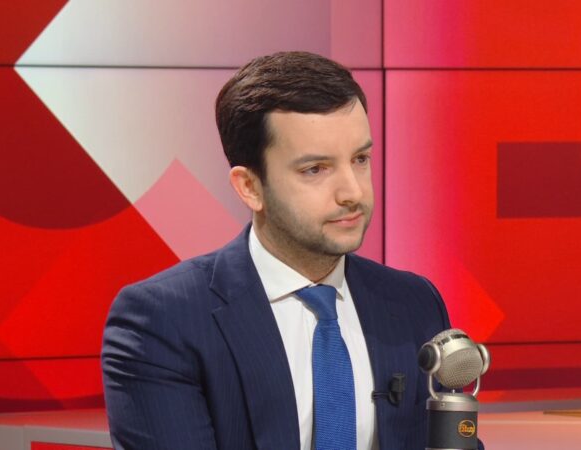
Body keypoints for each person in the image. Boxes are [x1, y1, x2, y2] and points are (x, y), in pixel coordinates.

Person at [102, 51, 456, 450]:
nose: (353, 192)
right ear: (250, 187)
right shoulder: (164, 320)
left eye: (360, 159)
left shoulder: (413, 303)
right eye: (315, 169)